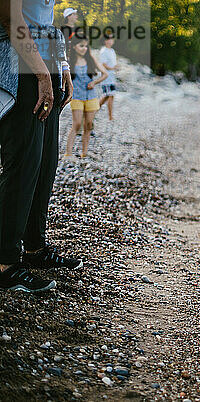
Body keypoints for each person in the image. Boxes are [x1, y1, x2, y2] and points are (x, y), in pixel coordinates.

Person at [0, 0, 80, 293]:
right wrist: (42, 75)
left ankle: (34, 247)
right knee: (22, 162)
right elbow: (11, 19)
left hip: (44, 61)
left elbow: (46, 21)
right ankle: (5, 262)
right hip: (18, 60)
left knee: (45, 162)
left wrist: (61, 65)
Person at [65, 35, 108, 158]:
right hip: (77, 97)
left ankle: (84, 152)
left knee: (89, 125)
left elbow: (104, 74)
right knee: (77, 124)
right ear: (74, 47)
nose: (84, 48)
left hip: (91, 97)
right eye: (81, 46)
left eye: (85, 46)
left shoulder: (91, 59)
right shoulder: (69, 61)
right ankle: (68, 153)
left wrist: (94, 82)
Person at [98, 34, 118, 121]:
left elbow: (113, 63)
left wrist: (115, 67)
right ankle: (110, 116)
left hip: (112, 77)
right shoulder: (103, 51)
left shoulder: (112, 50)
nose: (110, 41)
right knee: (108, 95)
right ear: (105, 41)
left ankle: (95, 110)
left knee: (109, 95)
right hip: (106, 77)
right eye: (108, 40)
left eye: (111, 39)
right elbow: (103, 64)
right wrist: (113, 68)